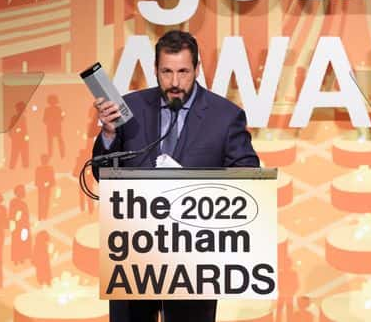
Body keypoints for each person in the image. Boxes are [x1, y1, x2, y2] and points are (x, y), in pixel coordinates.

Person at [91, 30, 260, 322]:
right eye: (166, 72)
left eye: (183, 72)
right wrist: (108, 133)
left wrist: (198, 189)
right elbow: (101, 173)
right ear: (156, 70)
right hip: (134, 250)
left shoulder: (225, 116)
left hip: (194, 256)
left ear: (196, 69)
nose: (174, 83)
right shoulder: (128, 108)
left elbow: (249, 178)